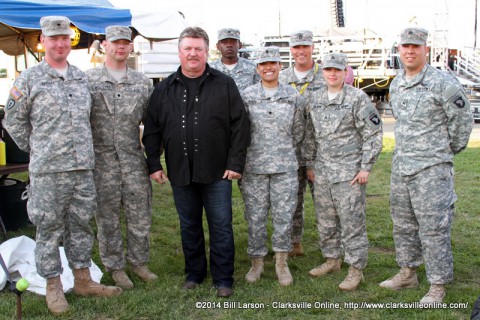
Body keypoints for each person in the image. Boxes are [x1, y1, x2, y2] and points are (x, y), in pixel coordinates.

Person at [3, 16, 122, 315]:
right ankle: (53, 286)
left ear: (70, 42)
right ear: (43, 42)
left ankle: (83, 279)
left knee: (81, 225)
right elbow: (14, 121)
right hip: (48, 171)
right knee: (48, 229)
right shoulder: (30, 78)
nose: (59, 43)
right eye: (53, 38)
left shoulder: (81, 78)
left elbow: (90, 119)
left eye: (64, 38)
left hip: (82, 168)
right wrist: (38, 148)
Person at [142, 26, 250, 298]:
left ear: (206, 52)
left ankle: (224, 277)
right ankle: (195, 273)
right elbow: (152, 129)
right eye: (188, 48)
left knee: (221, 226)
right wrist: (154, 164)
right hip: (180, 171)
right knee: (189, 226)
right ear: (180, 52)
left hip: (217, 171)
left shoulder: (224, 84)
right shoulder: (164, 89)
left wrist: (235, 163)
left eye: (198, 49)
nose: (193, 53)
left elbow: (240, 125)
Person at [379, 27, 473, 304]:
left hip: (432, 169)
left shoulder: (442, 83)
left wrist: (442, 152)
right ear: (399, 49)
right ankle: (408, 272)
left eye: (415, 47)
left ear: (425, 49)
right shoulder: (397, 83)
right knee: (404, 225)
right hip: (402, 166)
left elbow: (462, 122)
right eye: (405, 46)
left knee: (433, 228)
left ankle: (438, 285)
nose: (409, 51)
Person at [304, 53, 383, 291]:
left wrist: (365, 167)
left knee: (351, 222)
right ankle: (332, 259)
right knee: (325, 220)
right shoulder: (315, 98)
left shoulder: (357, 98)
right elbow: (310, 135)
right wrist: (309, 164)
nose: (332, 73)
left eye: (337, 70)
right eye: (328, 69)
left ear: (344, 71)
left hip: (349, 172)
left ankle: (356, 268)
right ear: (323, 71)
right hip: (323, 170)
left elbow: (373, 133)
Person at [86, 26, 157, 290]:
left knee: (140, 215)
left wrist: (153, 160)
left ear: (130, 46)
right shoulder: (88, 81)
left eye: (125, 43)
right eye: (115, 42)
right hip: (101, 162)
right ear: (104, 45)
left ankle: (138, 262)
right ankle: (115, 267)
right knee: (107, 218)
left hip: (132, 159)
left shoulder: (142, 83)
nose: (120, 47)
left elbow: (152, 125)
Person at [241, 46, 306, 286]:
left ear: (280, 66)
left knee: (283, 216)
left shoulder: (292, 96)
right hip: (253, 167)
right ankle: (257, 262)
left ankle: (281, 261)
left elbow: (299, 131)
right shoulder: (247, 95)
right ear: (257, 68)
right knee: (255, 216)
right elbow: (241, 130)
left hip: (284, 167)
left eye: (273, 63)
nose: (268, 68)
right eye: (263, 64)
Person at [279, 30, 325, 257]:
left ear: (312, 48)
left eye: (305, 46)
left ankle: (332, 246)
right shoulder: (281, 76)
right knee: (292, 199)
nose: (300, 51)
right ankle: (294, 241)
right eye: (296, 47)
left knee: (325, 201)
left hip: (320, 150)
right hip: (289, 150)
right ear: (291, 50)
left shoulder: (326, 75)